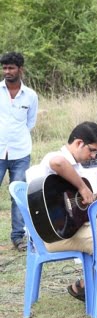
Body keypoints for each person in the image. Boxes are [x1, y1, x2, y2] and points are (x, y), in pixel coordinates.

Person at [25, 122, 97, 305]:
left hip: (71, 226)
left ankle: (93, 285)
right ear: (78, 143)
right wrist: (83, 188)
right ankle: (88, 287)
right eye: (91, 150)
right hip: (54, 235)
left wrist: (87, 199)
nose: (93, 156)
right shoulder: (56, 157)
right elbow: (58, 163)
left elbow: (70, 205)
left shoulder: (77, 168)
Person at [1, 52, 39, 251]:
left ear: (20, 70)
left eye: (11, 68)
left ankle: (18, 237)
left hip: (20, 152)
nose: (7, 72)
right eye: (5, 68)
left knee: (18, 195)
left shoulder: (30, 96)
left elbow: (30, 123)